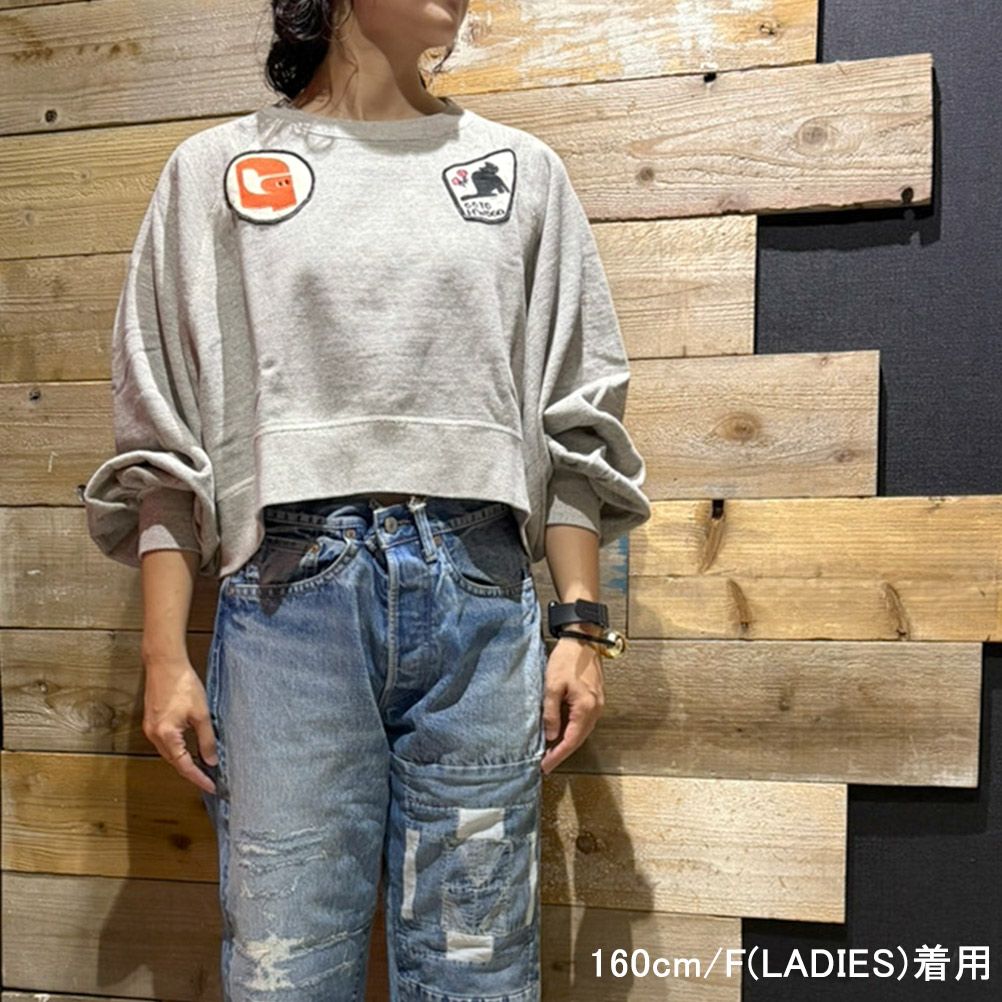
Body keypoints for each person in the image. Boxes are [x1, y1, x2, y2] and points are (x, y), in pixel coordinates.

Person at [82, 1, 651, 998]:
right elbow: (163, 437)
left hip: (483, 599)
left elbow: (577, 416)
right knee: (286, 969)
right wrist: (163, 656)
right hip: (286, 604)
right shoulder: (215, 171)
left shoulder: (519, 172)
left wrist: (581, 627)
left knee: (478, 968)